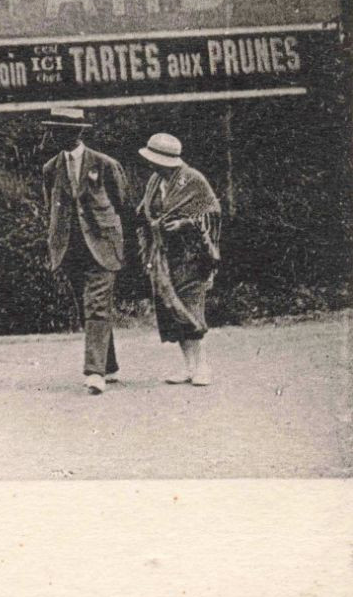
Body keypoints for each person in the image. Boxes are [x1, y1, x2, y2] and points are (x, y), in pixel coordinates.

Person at [39, 107, 129, 395]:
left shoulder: (105, 164)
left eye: (59, 129)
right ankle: (110, 364)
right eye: (52, 128)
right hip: (70, 249)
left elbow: (122, 205)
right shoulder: (51, 168)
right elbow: (50, 207)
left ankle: (95, 372)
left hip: (102, 245)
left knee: (97, 305)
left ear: (76, 132)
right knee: (86, 308)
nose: (52, 134)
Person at [135, 132, 222, 387]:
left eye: (155, 160)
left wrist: (185, 224)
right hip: (164, 257)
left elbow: (212, 213)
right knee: (174, 310)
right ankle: (189, 367)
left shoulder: (193, 179)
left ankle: (202, 367)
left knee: (191, 309)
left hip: (191, 257)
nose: (150, 164)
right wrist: (152, 224)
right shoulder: (155, 181)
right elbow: (146, 211)